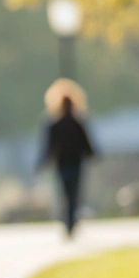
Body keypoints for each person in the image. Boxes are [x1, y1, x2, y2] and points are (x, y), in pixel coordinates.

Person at [37, 88, 96, 237]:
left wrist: (43, 162)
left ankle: (69, 221)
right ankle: (70, 221)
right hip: (74, 164)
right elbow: (87, 144)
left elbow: (49, 148)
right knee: (73, 194)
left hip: (63, 164)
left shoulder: (56, 124)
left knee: (65, 193)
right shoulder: (77, 122)